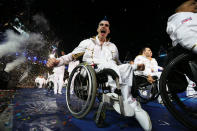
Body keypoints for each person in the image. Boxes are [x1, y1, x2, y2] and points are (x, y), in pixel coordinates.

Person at [46, 18, 152, 131]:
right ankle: (116, 95)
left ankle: (130, 103)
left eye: (106, 25)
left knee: (125, 67)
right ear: (98, 29)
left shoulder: (113, 47)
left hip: (111, 68)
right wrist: (58, 62)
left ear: (109, 31)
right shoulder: (87, 43)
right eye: (101, 25)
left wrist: (135, 67)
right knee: (110, 66)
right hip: (92, 69)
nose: (104, 26)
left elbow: (119, 64)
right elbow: (72, 56)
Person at [166, 0, 197, 92]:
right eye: (193, 3)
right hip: (189, 54)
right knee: (172, 54)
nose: (196, 5)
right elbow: (188, 36)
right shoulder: (182, 16)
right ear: (179, 9)